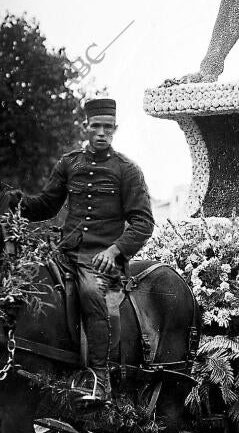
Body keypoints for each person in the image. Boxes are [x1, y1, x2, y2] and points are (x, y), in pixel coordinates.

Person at [6, 98, 154, 404]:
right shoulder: (69, 163)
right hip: (64, 253)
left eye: (108, 128)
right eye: (96, 126)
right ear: (85, 127)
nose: (101, 133)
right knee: (25, 282)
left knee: (90, 293)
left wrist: (115, 251)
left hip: (101, 260)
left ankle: (99, 380)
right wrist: (14, 201)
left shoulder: (127, 170)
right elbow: (46, 205)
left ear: (116, 129)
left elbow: (143, 223)